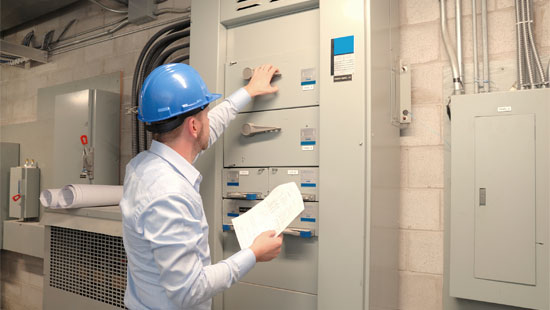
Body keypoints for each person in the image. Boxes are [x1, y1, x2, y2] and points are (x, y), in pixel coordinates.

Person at [120, 63, 283, 310]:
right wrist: (253, 253)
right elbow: (189, 291)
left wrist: (248, 92)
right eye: (205, 113)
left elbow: (207, 129)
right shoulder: (170, 194)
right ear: (193, 126)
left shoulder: (142, 166)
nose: (209, 118)